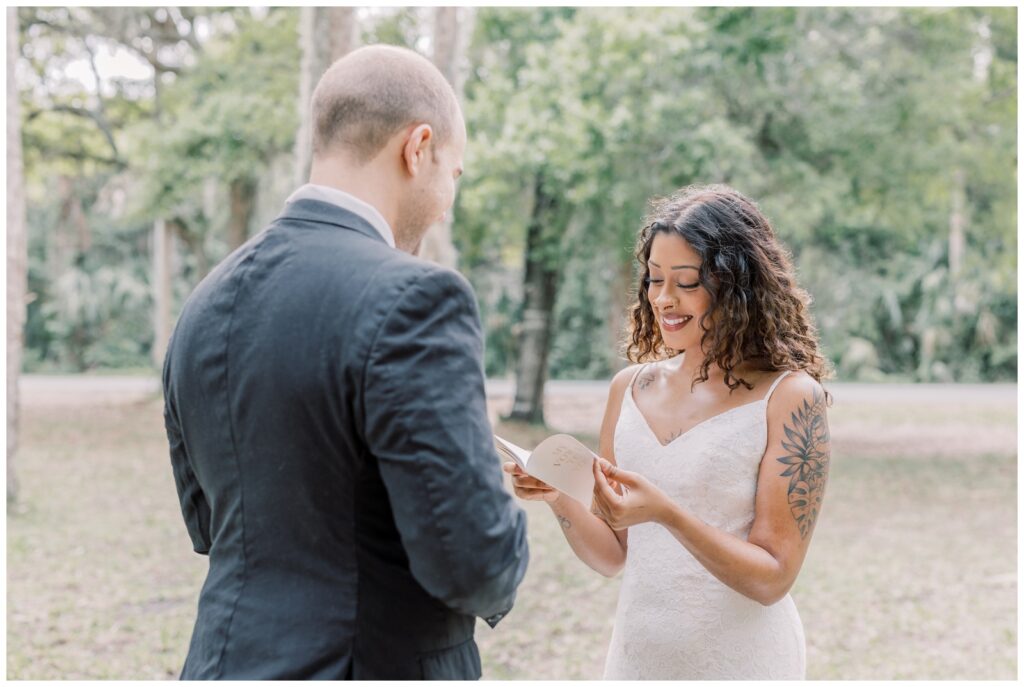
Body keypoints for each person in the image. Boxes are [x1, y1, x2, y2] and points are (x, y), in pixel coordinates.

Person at [162, 45, 529, 680]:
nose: (446, 200)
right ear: (418, 149)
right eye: (454, 174)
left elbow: (210, 526)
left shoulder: (202, 305)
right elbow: (475, 563)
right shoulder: (417, 298)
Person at [504, 184, 832, 679]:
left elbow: (773, 578)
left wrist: (667, 514)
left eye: (686, 282)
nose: (663, 298)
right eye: (655, 279)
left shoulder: (790, 398)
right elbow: (615, 555)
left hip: (744, 663)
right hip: (638, 660)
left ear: (738, 284)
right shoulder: (628, 389)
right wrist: (560, 498)